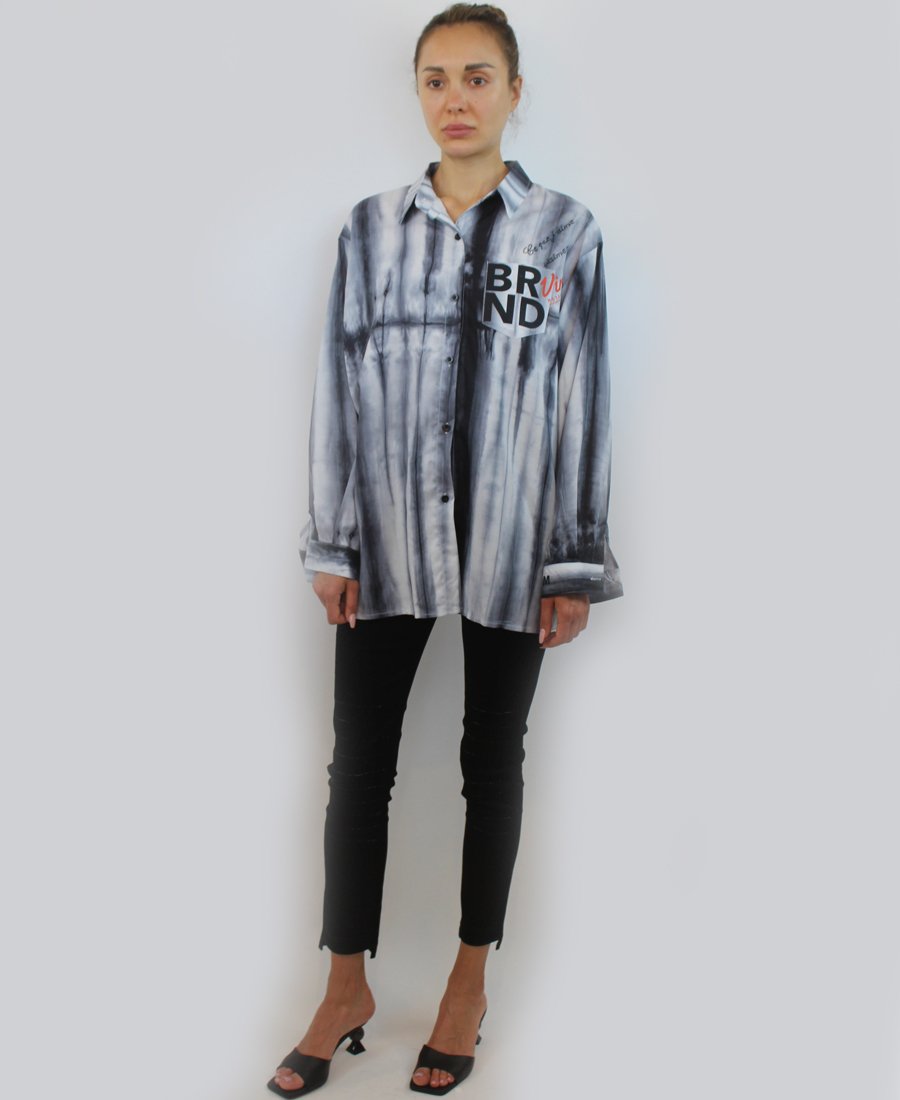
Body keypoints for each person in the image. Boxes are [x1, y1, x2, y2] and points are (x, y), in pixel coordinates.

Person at [268, 4, 623, 1095]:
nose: (456, 98)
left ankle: (468, 982)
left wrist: (575, 559)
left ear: (514, 91)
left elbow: (583, 398)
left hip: (515, 543)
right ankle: (344, 984)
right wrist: (333, 539)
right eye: (435, 79)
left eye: (477, 76)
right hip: (386, 536)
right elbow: (337, 386)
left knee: (490, 757)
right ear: (417, 93)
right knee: (357, 764)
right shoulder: (369, 231)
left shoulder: (565, 233)